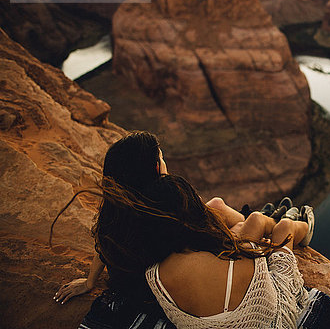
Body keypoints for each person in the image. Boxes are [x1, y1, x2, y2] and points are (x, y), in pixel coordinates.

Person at [51, 131, 266, 327]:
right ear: (156, 167)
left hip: (144, 291)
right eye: (162, 159)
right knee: (243, 222)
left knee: (217, 205)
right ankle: (266, 218)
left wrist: (89, 282)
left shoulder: (117, 213)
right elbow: (208, 239)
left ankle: (255, 216)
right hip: (169, 299)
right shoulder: (163, 210)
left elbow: (103, 246)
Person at [112, 174, 312, 328]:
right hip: (274, 321)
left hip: (226, 305)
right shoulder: (239, 260)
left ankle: (272, 218)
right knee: (284, 228)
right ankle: (303, 222)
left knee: (252, 222)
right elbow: (260, 263)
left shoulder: (153, 275)